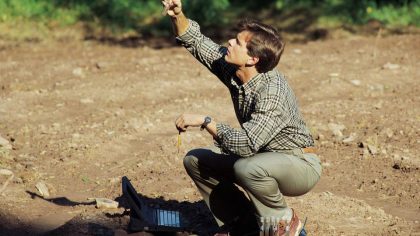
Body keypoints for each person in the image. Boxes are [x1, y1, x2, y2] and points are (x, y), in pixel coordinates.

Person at [163, 0, 322, 235]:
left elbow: (247, 145)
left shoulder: (272, 91)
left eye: (237, 42)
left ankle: (285, 225)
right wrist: (178, 15)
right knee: (195, 160)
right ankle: (243, 223)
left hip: (299, 165)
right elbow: (196, 42)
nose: (229, 42)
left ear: (253, 59)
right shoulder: (235, 70)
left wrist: (207, 122)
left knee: (249, 168)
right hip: (263, 156)